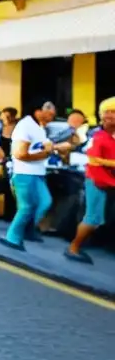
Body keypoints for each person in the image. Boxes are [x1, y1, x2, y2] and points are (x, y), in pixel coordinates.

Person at [0, 101, 70, 251]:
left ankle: (28, 230)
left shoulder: (39, 128)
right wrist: (46, 153)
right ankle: (12, 237)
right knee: (26, 207)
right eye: (50, 114)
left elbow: (42, 147)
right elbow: (19, 153)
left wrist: (56, 148)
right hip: (24, 173)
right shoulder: (25, 126)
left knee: (45, 202)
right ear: (38, 111)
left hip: (38, 173)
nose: (52, 117)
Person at [66, 97, 115, 264]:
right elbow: (93, 159)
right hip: (97, 181)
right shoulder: (98, 135)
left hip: (108, 182)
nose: (110, 116)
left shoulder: (110, 136)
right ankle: (74, 248)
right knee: (93, 218)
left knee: (98, 218)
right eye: (108, 112)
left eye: (114, 112)